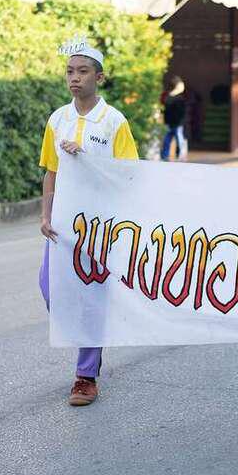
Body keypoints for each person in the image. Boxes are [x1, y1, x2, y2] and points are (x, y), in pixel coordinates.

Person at [38, 36, 139, 406]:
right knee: (50, 287)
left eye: (82, 71)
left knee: (92, 298)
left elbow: (128, 175)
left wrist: (88, 159)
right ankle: (86, 336)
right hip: (63, 223)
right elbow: (50, 172)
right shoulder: (57, 119)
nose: (74, 78)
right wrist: (46, 214)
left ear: (99, 77)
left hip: (99, 227)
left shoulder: (114, 122)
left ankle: (85, 377)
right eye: (69, 71)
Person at [161, 75, 187, 161]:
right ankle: (166, 156)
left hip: (176, 122)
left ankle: (180, 155)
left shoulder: (177, 97)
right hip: (172, 123)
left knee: (177, 139)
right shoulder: (170, 97)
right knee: (170, 139)